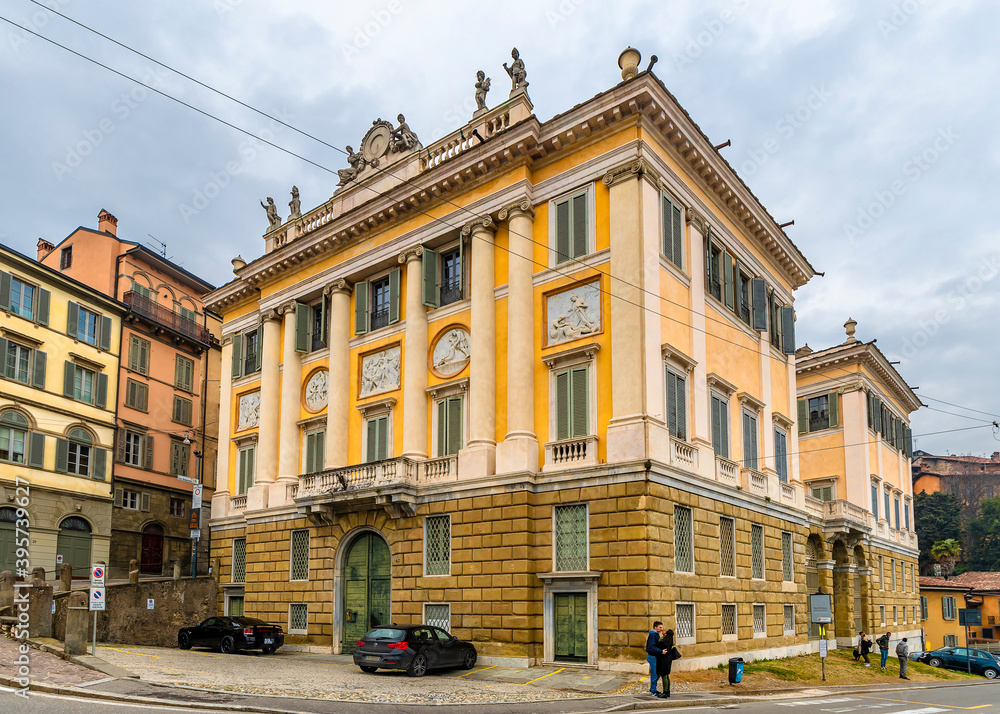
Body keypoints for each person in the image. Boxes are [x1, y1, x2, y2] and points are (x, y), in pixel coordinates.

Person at [645, 621, 664, 696]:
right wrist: (660, 651)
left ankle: (653, 688)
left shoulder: (655, 634)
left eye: (662, 627)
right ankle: (653, 690)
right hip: (653, 656)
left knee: (657, 673)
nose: (662, 629)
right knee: (655, 674)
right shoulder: (653, 635)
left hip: (655, 656)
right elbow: (651, 647)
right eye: (660, 627)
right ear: (655, 627)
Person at [654, 627, 675, 698]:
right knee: (666, 675)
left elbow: (658, 644)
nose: (663, 630)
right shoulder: (669, 640)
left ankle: (665, 692)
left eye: (665, 630)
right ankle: (667, 691)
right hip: (668, 658)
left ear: (666, 633)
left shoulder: (664, 641)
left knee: (664, 675)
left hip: (664, 658)